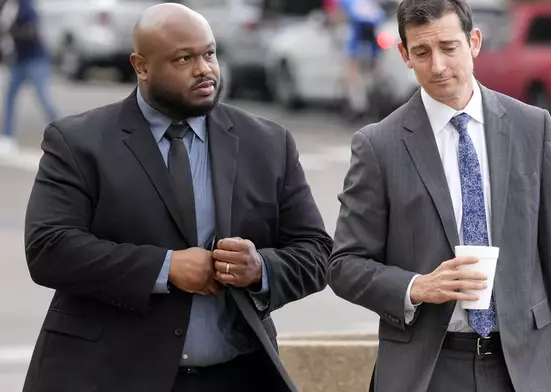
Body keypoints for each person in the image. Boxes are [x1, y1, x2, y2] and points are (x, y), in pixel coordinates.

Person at [22, 3, 332, 392]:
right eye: (184, 58)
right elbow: (49, 249)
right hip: (109, 376)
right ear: (141, 66)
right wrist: (166, 268)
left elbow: (317, 252)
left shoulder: (267, 143)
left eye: (210, 53)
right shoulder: (78, 142)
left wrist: (260, 269)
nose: (204, 69)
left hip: (236, 375)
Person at [327, 1, 551, 391]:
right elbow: (344, 265)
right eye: (422, 53)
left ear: (474, 42)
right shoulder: (379, 145)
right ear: (405, 55)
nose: (438, 66)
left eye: (449, 47)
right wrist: (415, 287)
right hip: (428, 370)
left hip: (523, 369)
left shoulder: (531, 127)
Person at [1, 0, 57, 154]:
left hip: (35, 59)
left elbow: (31, 29)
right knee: (10, 96)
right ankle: (7, 136)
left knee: (44, 97)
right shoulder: (8, 5)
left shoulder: (26, 5)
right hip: (19, 60)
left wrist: (11, 30)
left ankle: (64, 132)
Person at [336, 0, 385, 120]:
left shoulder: (348, 2)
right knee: (372, 76)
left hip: (355, 46)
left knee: (353, 76)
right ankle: (374, 105)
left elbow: (339, 16)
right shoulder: (370, 4)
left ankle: (358, 107)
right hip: (373, 46)